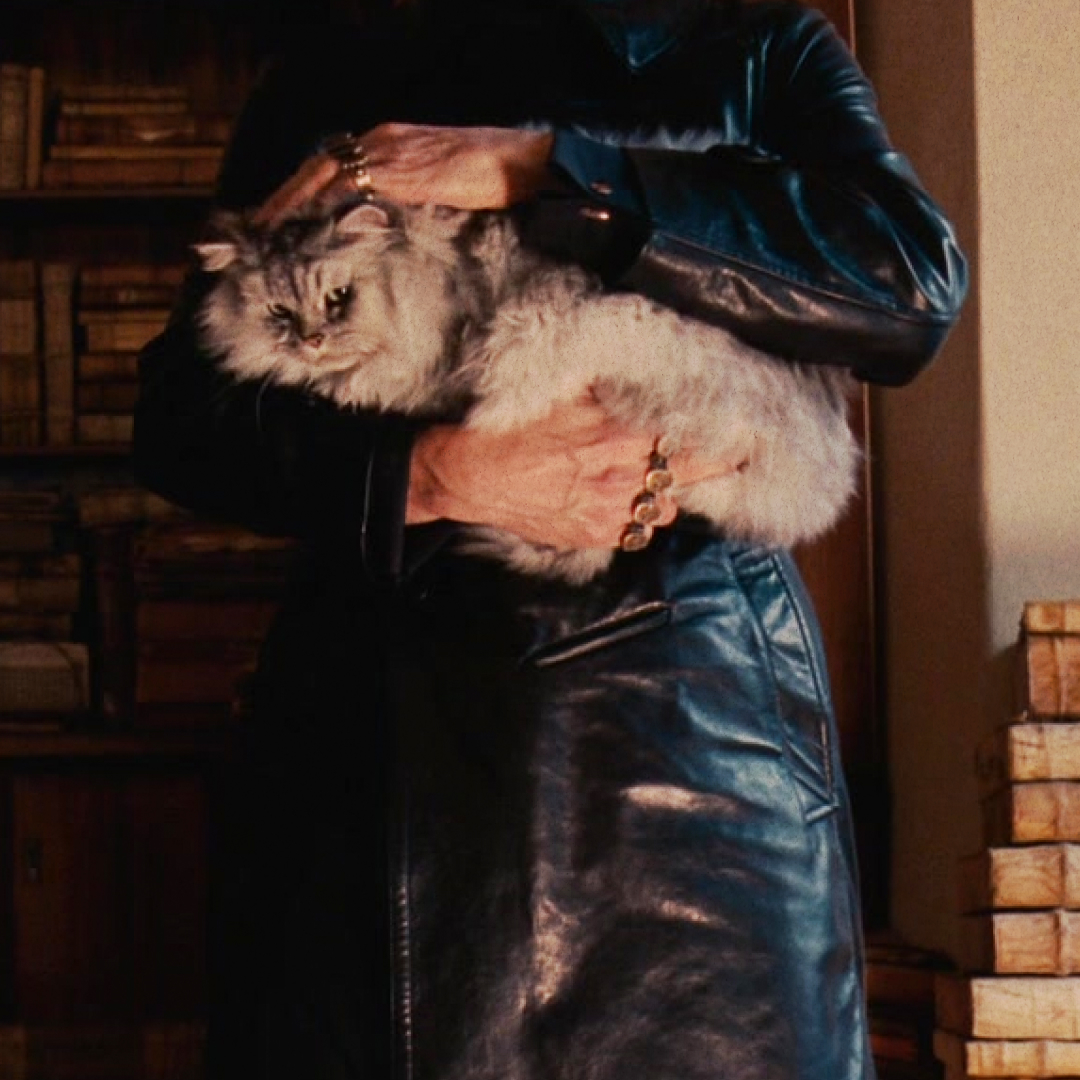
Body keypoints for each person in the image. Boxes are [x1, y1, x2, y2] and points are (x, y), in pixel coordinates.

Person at [134, 1, 967, 1078]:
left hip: (686, 770)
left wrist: (547, 168)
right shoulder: (335, 74)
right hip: (377, 757)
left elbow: (908, 291)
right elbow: (180, 421)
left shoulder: (755, 46)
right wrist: (429, 473)